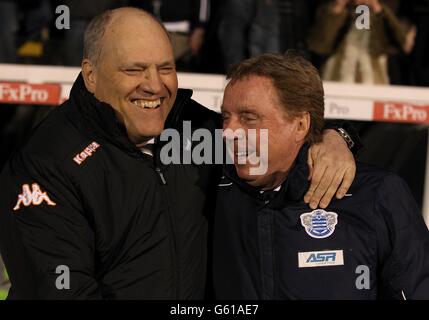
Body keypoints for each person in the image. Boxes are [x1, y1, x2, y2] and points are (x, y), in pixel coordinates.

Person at [0, 8, 357, 299]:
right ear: (91, 74)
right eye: (134, 69)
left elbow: (273, 139)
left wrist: (335, 138)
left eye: (166, 67)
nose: (155, 85)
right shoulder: (46, 162)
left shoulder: (194, 127)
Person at [213, 52, 429, 299]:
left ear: (301, 125)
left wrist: (340, 136)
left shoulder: (376, 194)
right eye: (225, 118)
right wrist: (341, 134)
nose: (228, 133)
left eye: (249, 119)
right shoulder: (211, 190)